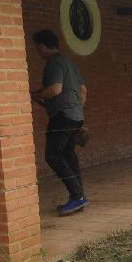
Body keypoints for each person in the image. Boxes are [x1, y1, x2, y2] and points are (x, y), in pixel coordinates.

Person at [30, 30, 88, 216]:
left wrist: (35, 94)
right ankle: (79, 196)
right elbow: (83, 90)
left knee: (53, 156)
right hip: (76, 115)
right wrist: (77, 109)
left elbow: (55, 89)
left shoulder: (53, 63)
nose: (37, 52)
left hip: (62, 117)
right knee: (68, 154)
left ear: (43, 46)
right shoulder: (69, 62)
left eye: (37, 48)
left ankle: (77, 195)